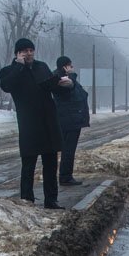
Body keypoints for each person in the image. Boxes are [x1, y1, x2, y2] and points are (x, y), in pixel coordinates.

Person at [0, 37, 66, 209]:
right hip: (29, 122)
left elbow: (53, 86)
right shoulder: (9, 70)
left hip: (48, 120)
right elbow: (6, 86)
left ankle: (51, 200)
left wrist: (66, 83)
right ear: (17, 54)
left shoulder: (41, 66)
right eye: (24, 51)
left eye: (30, 50)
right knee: (28, 164)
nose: (28, 53)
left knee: (50, 164)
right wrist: (19, 66)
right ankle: (27, 200)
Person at [51, 56, 90, 186]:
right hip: (68, 120)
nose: (72, 68)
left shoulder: (65, 78)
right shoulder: (62, 79)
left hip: (72, 119)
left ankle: (66, 175)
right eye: (70, 66)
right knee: (68, 150)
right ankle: (65, 177)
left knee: (69, 149)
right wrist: (72, 75)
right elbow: (69, 91)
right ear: (65, 66)